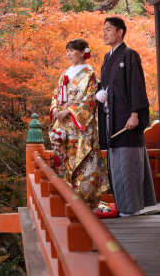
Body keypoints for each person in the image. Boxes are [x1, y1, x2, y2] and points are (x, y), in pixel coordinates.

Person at [96, 17, 156, 217]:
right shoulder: (107, 59)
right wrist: (100, 93)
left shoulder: (130, 55)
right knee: (117, 167)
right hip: (111, 119)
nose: (104, 33)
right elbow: (107, 87)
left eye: (109, 30)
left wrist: (135, 113)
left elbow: (136, 85)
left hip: (127, 119)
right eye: (103, 30)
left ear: (120, 32)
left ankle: (132, 209)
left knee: (129, 164)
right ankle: (123, 207)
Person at [49, 39, 108, 209]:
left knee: (83, 159)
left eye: (72, 50)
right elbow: (55, 95)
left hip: (80, 124)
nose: (68, 54)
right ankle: (67, 195)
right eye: (67, 51)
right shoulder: (65, 73)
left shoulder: (89, 74)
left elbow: (89, 99)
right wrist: (55, 110)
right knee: (66, 159)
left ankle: (85, 199)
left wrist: (68, 111)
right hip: (64, 124)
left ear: (83, 52)